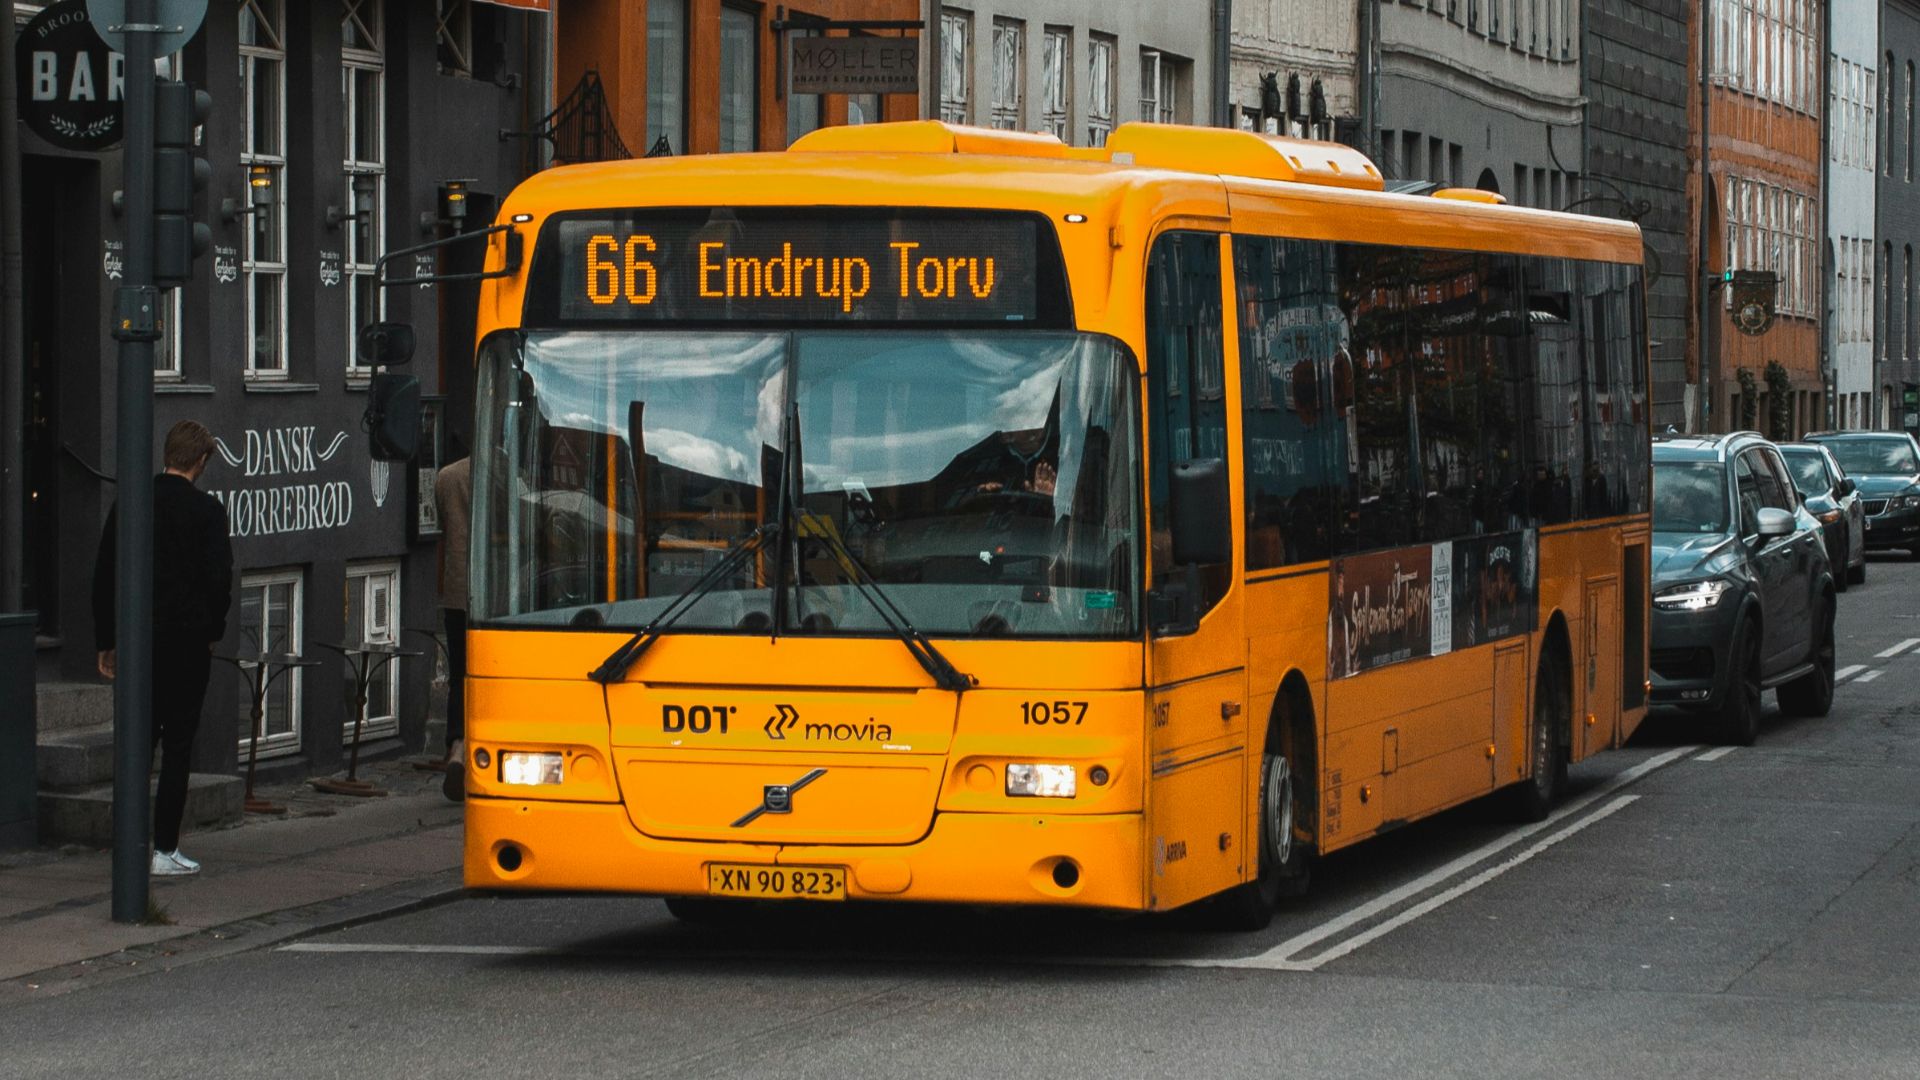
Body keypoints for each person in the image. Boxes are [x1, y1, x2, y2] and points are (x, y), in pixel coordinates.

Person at [92, 420, 233, 878]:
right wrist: (213, 631)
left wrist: (107, 640)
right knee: (177, 746)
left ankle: (127, 839)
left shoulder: (132, 503)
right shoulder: (208, 512)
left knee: (138, 740)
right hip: (188, 643)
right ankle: (164, 847)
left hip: (140, 639)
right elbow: (219, 581)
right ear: (201, 460)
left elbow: (105, 573)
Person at [435, 450, 473, 803]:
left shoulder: (447, 476)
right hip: (493, 598)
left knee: (459, 675)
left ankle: (457, 748)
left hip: (456, 593)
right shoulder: (506, 476)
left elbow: (444, 527)